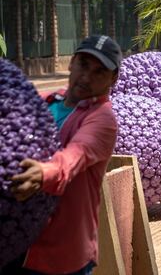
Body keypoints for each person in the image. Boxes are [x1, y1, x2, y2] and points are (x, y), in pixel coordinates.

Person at [7, 35, 122, 275]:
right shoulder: (45, 101)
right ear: (71, 63)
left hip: (61, 254)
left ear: (113, 78)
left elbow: (74, 157)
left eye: (99, 72)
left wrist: (42, 173)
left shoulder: (102, 120)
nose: (87, 77)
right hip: (16, 242)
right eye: (83, 64)